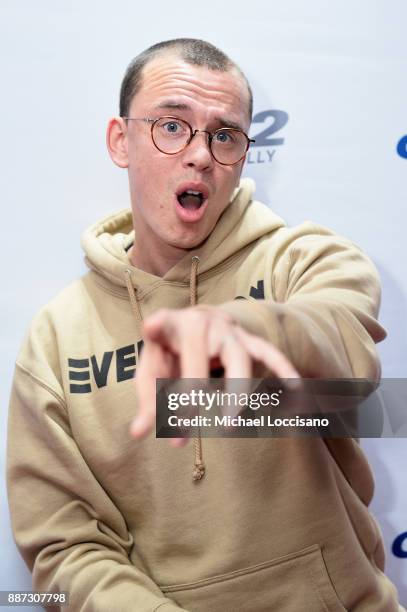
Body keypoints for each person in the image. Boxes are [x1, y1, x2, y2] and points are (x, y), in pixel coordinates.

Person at [7, 38, 404, 611]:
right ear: (121, 141)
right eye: (172, 125)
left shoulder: (308, 259)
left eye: (224, 135)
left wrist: (250, 331)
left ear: (243, 155)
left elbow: (346, 352)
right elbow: (66, 546)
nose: (199, 154)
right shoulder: (56, 338)